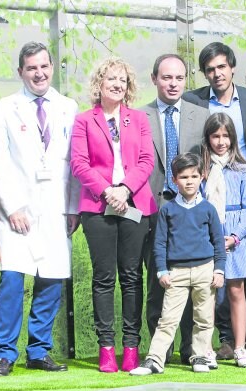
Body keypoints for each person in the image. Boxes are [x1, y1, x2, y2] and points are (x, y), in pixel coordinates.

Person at [183, 42, 246, 360]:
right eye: (210, 69)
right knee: (215, 277)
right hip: (211, 201)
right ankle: (224, 339)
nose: (216, 74)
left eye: (221, 67)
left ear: (232, 67)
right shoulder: (193, 101)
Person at [0, 42, 80, 377]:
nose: (39, 74)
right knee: (12, 280)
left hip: (56, 206)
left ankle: (39, 351)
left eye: (44, 66)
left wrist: (73, 208)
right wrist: (12, 207)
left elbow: (75, 162)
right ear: (20, 72)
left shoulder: (68, 106)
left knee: (51, 280)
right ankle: (5, 353)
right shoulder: (5, 107)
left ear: (52, 67)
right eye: (31, 68)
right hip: (18, 209)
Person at [70, 57, 156, 373]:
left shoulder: (139, 119)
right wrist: (108, 191)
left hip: (135, 204)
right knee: (104, 278)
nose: (117, 84)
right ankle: (106, 348)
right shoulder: (84, 121)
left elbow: (146, 160)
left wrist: (125, 190)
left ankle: (131, 347)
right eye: (111, 79)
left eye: (122, 79)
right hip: (98, 206)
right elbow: (79, 164)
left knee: (132, 277)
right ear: (100, 84)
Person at [141, 53, 210, 365]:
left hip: (192, 211)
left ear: (186, 80)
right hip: (154, 209)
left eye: (179, 77)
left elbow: (209, 161)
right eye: (166, 77)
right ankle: (160, 352)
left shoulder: (201, 114)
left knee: (193, 279)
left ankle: (191, 349)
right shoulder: (139, 116)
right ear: (154, 78)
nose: (173, 83)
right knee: (160, 279)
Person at [130, 153, 226, 375]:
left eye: (194, 176)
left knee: (203, 318)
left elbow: (218, 243)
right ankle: (155, 359)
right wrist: (162, 270)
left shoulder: (208, 209)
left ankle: (200, 356)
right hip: (176, 273)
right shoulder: (168, 210)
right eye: (183, 177)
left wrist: (219, 269)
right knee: (168, 319)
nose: (189, 181)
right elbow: (160, 243)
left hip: (205, 271)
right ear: (174, 180)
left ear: (202, 177)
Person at [203, 112, 246, 368]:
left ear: (233, 138)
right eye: (215, 136)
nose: (221, 141)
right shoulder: (202, 169)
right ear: (207, 138)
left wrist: (234, 236)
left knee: (236, 291)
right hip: (209, 237)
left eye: (225, 136)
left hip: (236, 238)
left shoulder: (242, 170)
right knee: (208, 294)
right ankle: (206, 347)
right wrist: (213, 237)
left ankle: (240, 347)